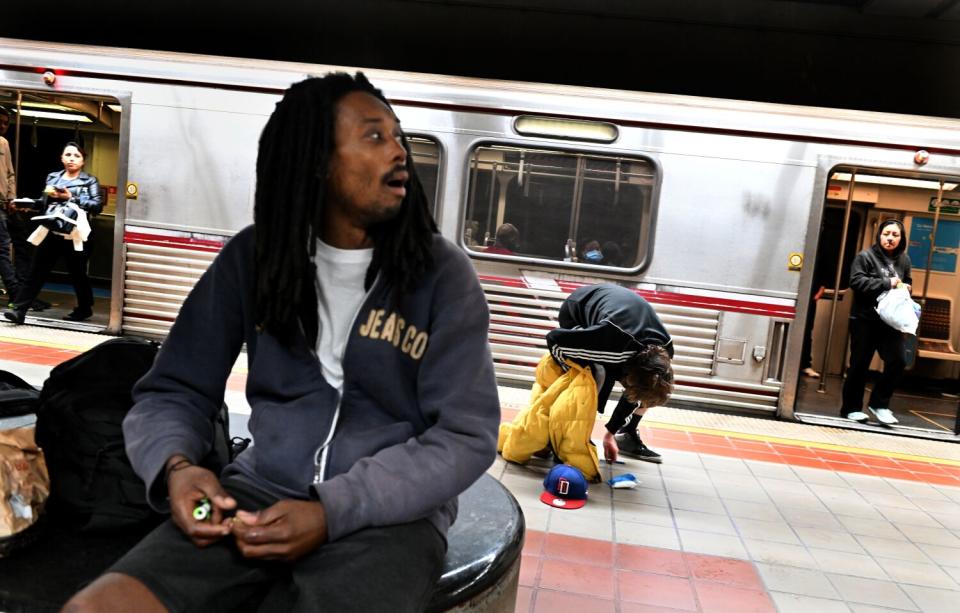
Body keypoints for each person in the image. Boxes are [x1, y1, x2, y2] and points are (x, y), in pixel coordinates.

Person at [62, 73, 499, 613]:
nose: (399, 152)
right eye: (373, 136)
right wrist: (177, 467)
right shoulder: (252, 260)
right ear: (315, 160)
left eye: (397, 135)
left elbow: (466, 435)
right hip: (253, 497)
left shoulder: (441, 275)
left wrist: (333, 510)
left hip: (391, 522)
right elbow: (174, 389)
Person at [548, 283, 674, 463]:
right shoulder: (610, 342)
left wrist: (610, 433)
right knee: (593, 377)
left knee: (652, 390)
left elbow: (638, 393)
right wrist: (572, 375)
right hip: (577, 309)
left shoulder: (665, 352)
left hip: (620, 325)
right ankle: (571, 437)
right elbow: (554, 339)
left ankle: (626, 434)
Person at [3, 142, 102, 324]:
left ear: (83, 160)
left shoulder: (90, 181)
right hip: (51, 229)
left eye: (76, 156)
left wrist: (70, 197)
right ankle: (19, 309)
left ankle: (84, 307)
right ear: (61, 158)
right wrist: (27, 204)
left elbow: (97, 206)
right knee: (37, 270)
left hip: (76, 234)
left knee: (78, 273)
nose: (72, 159)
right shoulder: (53, 178)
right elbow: (44, 202)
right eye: (68, 155)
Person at [840, 219, 912, 426]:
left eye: (895, 235)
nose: (890, 238)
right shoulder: (865, 257)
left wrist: (906, 288)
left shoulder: (904, 260)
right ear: (879, 235)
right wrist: (886, 283)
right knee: (860, 364)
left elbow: (908, 281)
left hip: (890, 322)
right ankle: (851, 409)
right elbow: (856, 281)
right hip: (865, 320)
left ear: (901, 238)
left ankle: (879, 404)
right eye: (886, 233)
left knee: (898, 361)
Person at [0, 106, 20, 303]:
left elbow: (10, 174)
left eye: (6, 123)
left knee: (3, 250)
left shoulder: (3, 143)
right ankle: (15, 293)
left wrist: (11, 197)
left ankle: (15, 293)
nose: (4, 126)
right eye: (1, 121)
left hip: (1, 206)